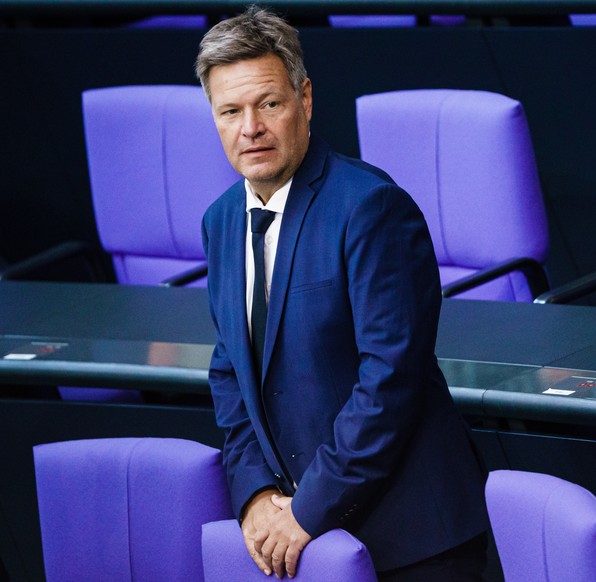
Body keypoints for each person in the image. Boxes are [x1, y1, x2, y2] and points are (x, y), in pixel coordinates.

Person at [195, 6, 490, 580]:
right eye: (230, 111)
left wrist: (306, 509)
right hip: (302, 540)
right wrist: (255, 493)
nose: (249, 127)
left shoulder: (370, 207)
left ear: (304, 101)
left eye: (269, 104)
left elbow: (389, 381)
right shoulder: (221, 222)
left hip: (412, 541)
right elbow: (230, 369)